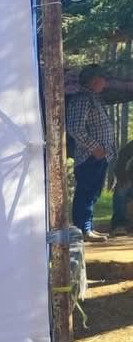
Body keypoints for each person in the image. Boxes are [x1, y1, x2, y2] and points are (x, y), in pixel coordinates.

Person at [67, 65, 116, 243]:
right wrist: (95, 148)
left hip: (99, 156)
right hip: (90, 156)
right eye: (103, 78)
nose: (105, 82)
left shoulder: (93, 98)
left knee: (92, 193)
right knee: (86, 192)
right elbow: (75, 129)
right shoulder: (82, 99)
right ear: (94, 80)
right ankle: (83, 229)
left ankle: (87, 227)